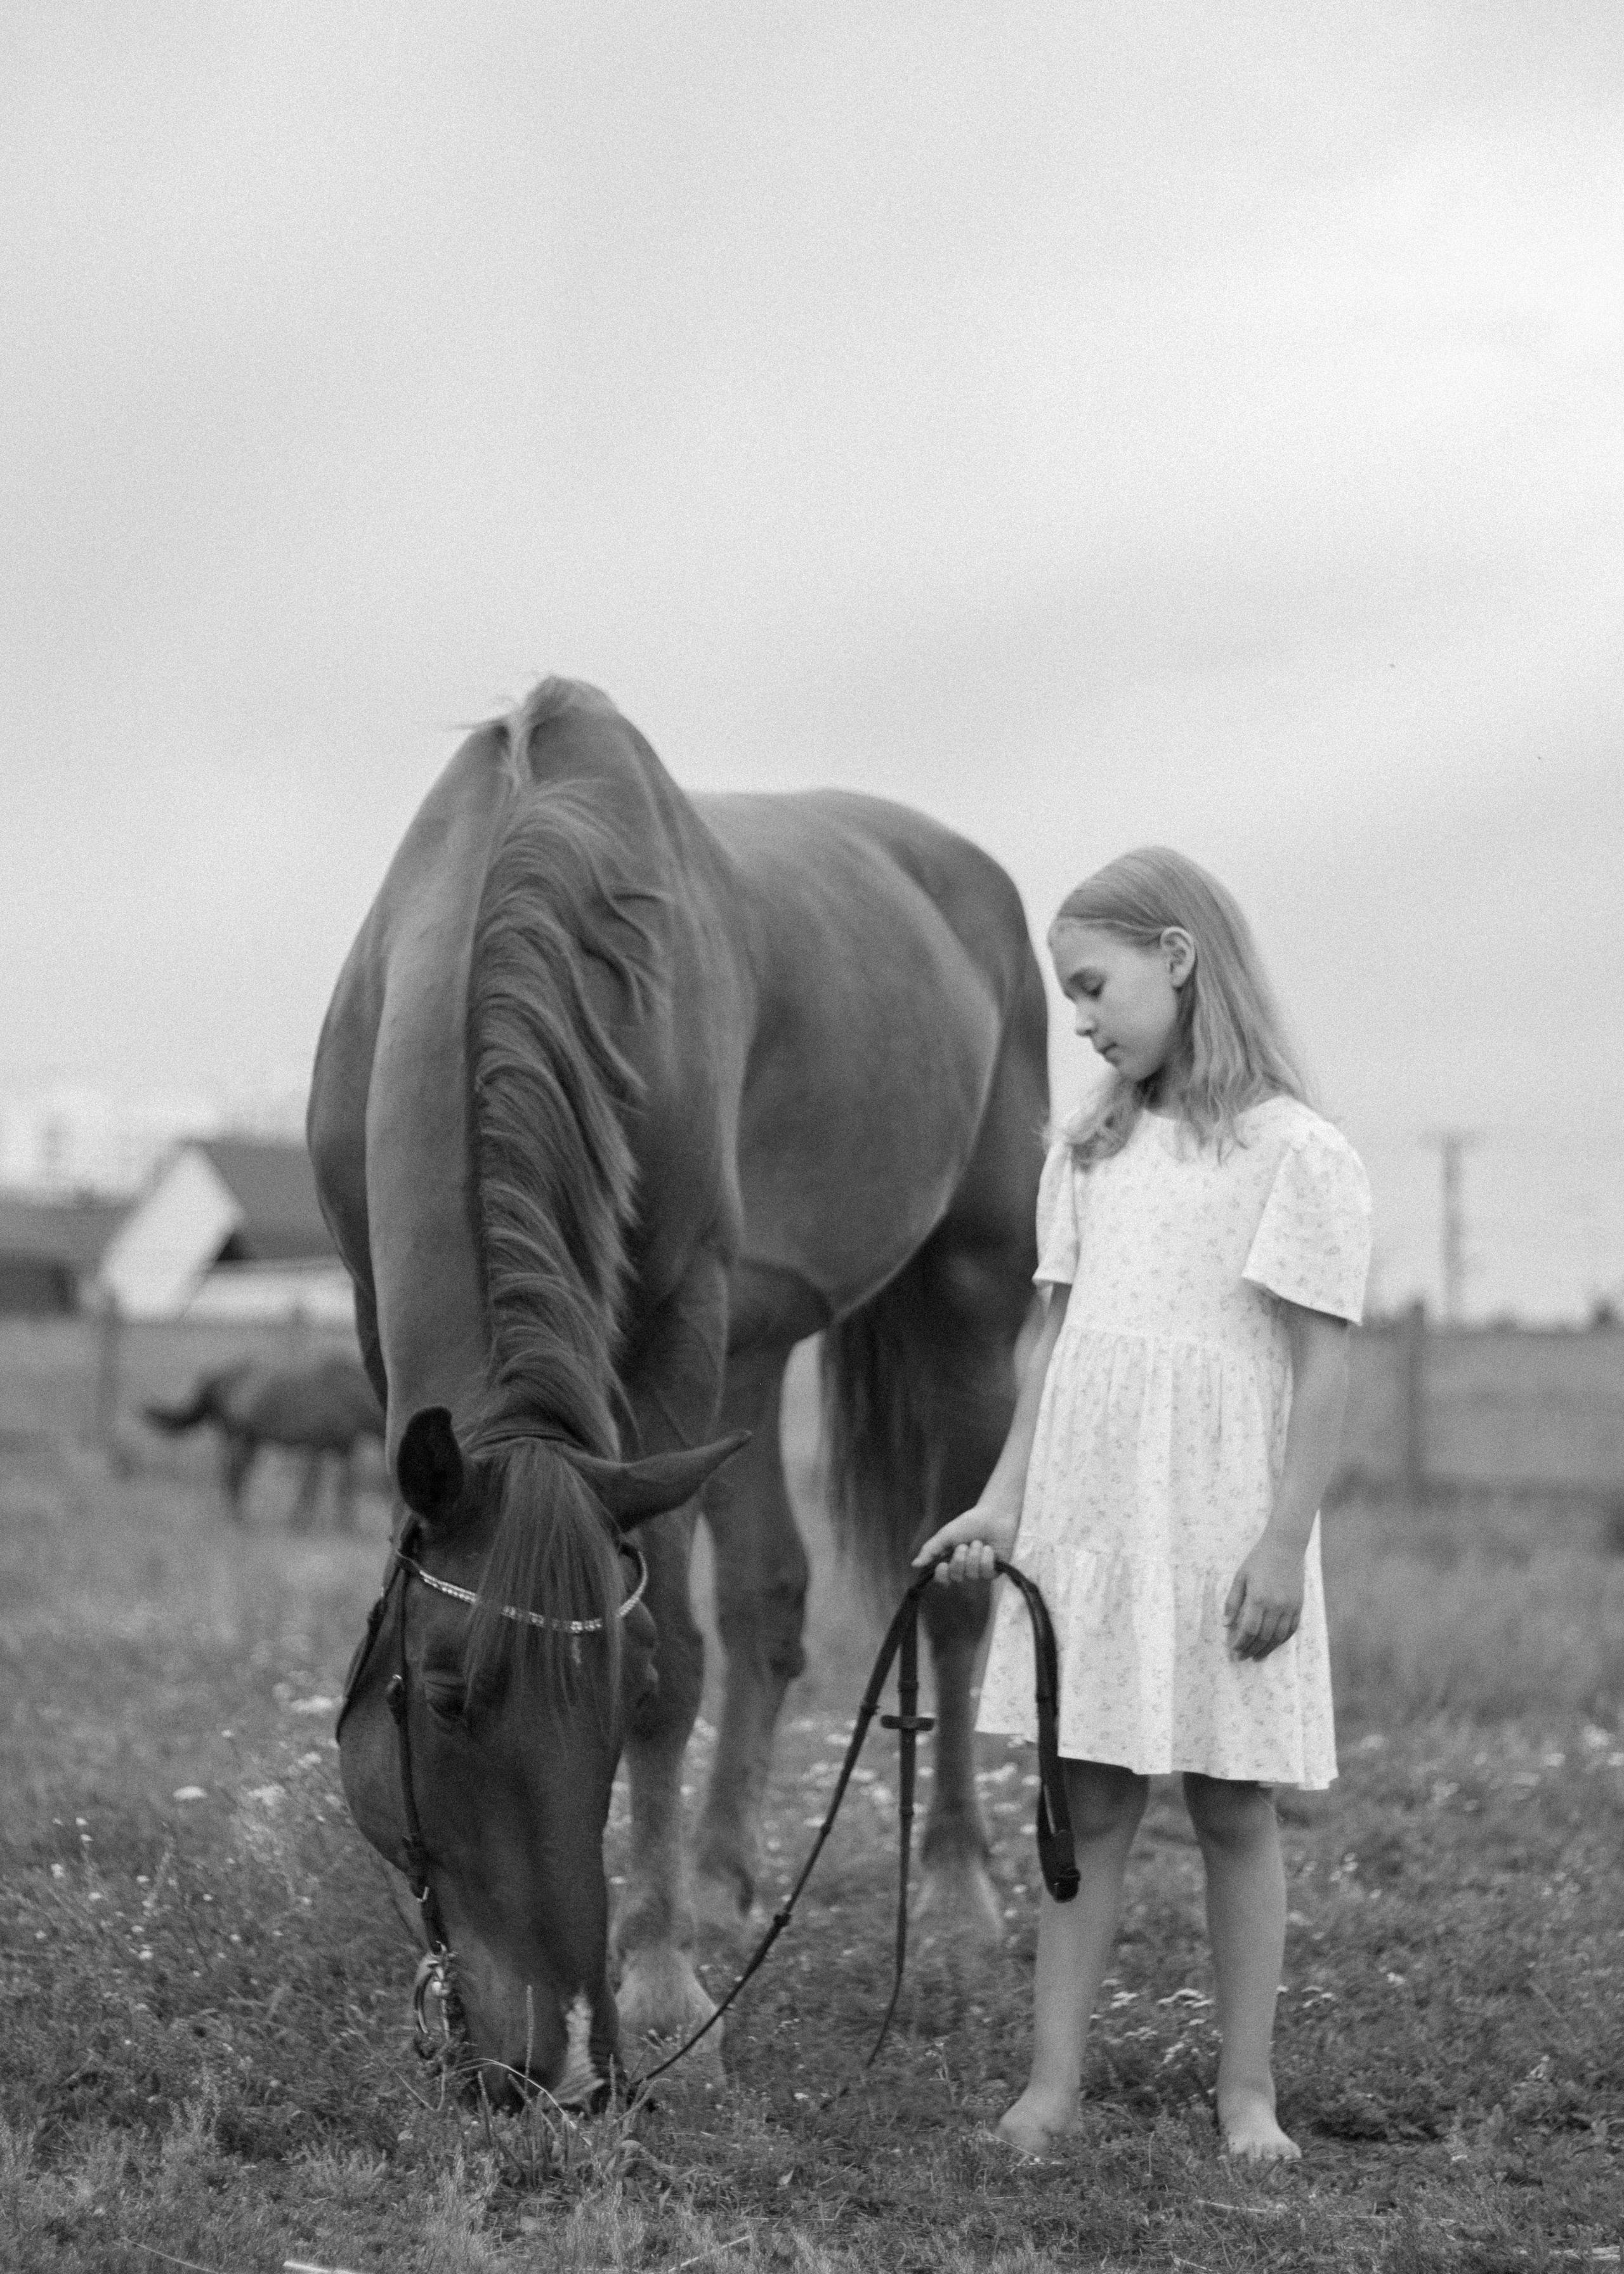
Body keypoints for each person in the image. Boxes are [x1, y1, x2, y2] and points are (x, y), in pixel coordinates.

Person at [915, 846, 1371, 2163]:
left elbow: (1319, 1361)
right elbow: (1043, 1349)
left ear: (1176, 958)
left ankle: (1246, 2096)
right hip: (1093, 1516)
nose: (1078, 1019)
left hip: (1227, 1515)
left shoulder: (1297, 1153)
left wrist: (1283, 1541)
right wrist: (1003, 1503)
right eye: (1067, 996)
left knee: (1232, 1804)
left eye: (1091, 985)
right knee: (1087, 1796)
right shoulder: (1087, 1151)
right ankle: (1050, 2087)